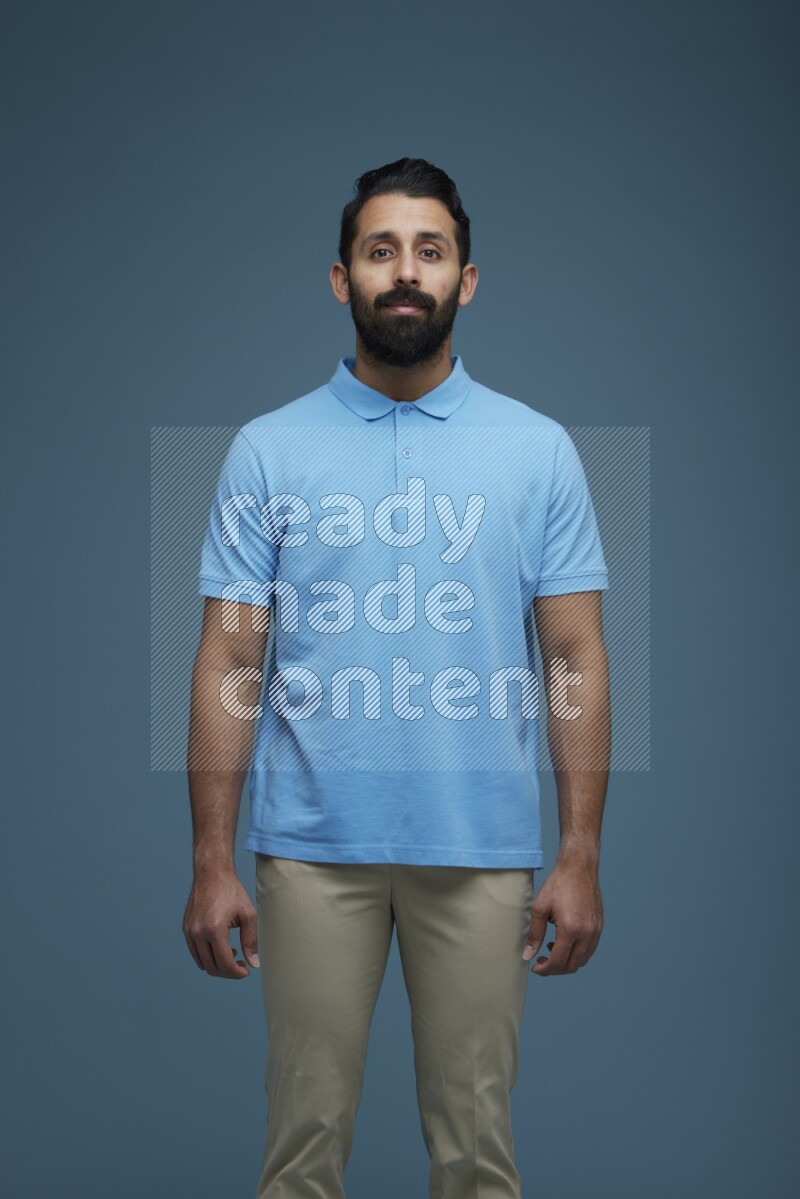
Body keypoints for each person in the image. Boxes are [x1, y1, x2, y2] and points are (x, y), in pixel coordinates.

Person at [183, 156, 611, 1199]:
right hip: (309, 850)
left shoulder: (538, 450)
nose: (406, 271)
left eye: (430, 250)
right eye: (381, 251)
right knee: (300, 1154)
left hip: (482, 851)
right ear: (343, 278)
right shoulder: (267, 450)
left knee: (476, 1158)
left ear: (467, 278)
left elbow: (574, 657)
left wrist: (578, 852)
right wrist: (210, 858)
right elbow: (231, 657)